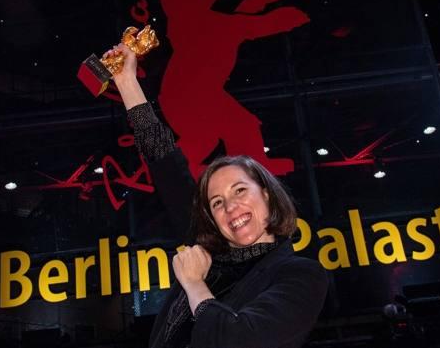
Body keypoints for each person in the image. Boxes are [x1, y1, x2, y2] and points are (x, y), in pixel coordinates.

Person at [104, 43, 329, 348]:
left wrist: (195, 284)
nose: (231, 206)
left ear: (266, 195)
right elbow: (165, 161)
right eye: (217, 202)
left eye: (239, 190)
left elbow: (241, 339)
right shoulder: (210, 254)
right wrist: (126, 81)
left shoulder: (300, 274)